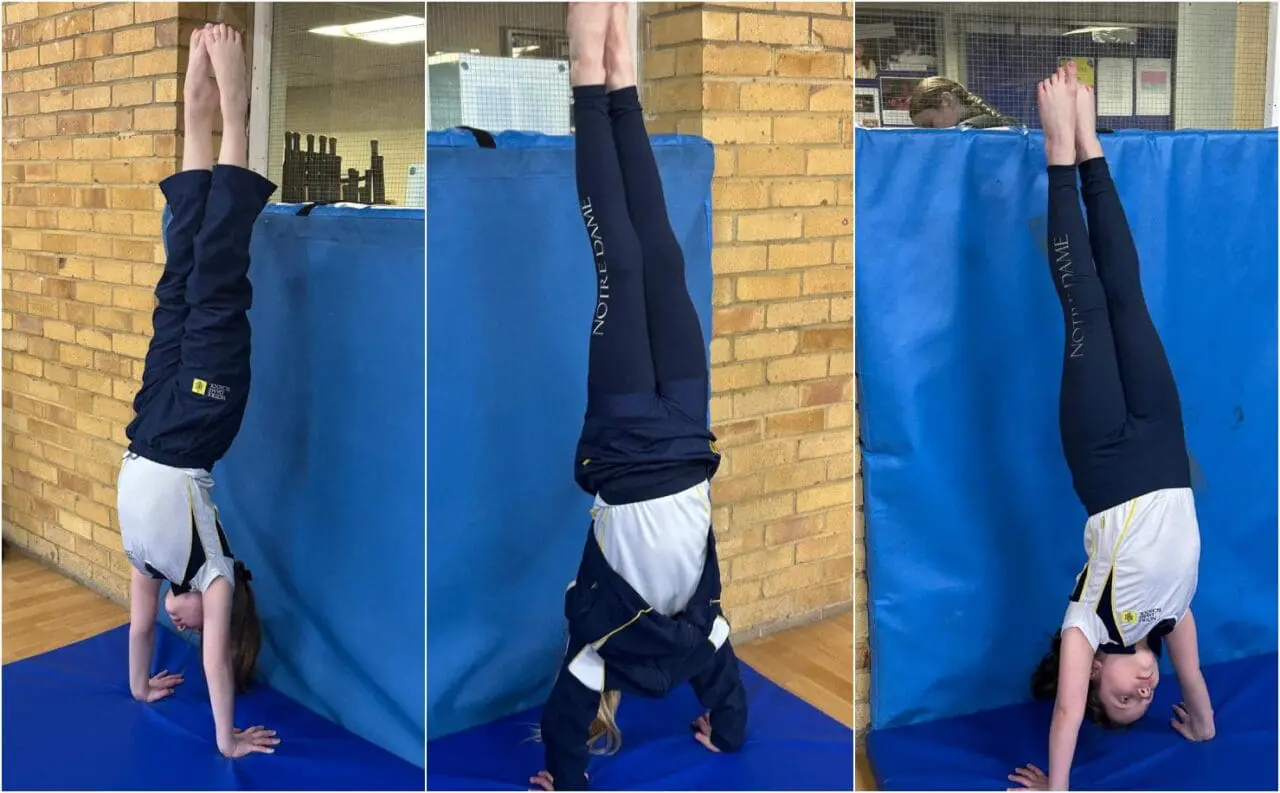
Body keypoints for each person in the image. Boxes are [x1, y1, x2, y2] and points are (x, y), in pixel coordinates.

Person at [529, 4, 747, 790]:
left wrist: (725, 733)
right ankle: (616, 79)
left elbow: (728, 699)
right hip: (672, 439)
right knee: (653, 255)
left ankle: (593, 74)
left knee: (635, 259)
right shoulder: (607, 649)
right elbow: (565, 727)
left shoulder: (693, 638)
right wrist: (568, 777)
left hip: (656, 440)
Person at [1007, 63, 1213, 792]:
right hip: (1161, 443)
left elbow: (1065, 712)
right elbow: (1187, 668)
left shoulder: (1084, 625)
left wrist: (1059, 787)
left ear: (1096, 671)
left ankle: (1060, 157)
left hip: (1100, 457)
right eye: (1146, 700)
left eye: (1123, 695)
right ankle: (1092, 145)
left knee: (1087, 305)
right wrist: (1205, 717)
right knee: (1129, 296)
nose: (1144, 688)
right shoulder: (1171, 614)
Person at [117, 23, 280, 759]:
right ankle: (238, 114)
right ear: (226, 612)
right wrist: (227, 739)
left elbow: (141, 629)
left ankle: (195, 99)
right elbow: (216, 661)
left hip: (151, 417)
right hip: (201, 419)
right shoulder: (213, 575)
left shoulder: (150, 567)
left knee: (181, 260)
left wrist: (137, 685)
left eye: (182, 623)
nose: (186, 625)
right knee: (216, 273)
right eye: (202, 624)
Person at [908, 76, 1018, 129]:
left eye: (930, 125)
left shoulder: (966, 135)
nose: (928, 135)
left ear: (947, 100)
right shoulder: (1005, 126)